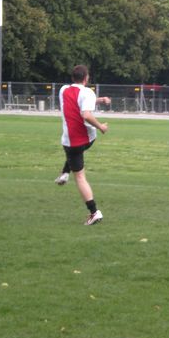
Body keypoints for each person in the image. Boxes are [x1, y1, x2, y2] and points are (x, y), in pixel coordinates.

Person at [59, 65, 109, 225]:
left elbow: (79, 105)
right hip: (88, 139)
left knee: (78, 172)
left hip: (70, 142)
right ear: (86, 78)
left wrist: (99, 101)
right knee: (78, 163)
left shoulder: (63, 90)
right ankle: (65, 173)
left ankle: (94, 212)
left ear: (73, 78)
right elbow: (86, 113)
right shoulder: (88, 92)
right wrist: (100, 126)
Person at [55, 96, 111, 185]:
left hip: (76, 135)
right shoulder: (83, 94)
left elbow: (86, 109)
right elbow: (87, 107)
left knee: (75, 156)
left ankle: (66, 173)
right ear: (86, 80)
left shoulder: (66, 91)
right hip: (88, 137)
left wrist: (101, 99)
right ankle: (65, 173)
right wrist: (101, 126)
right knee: (75, 153)